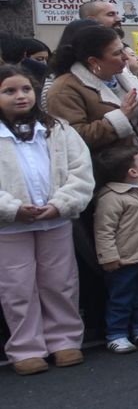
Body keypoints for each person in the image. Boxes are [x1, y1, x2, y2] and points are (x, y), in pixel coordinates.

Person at [0, 64, 93, 374]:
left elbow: (80, 171)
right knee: (17, 287)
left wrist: (61, 204)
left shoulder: (57, 129)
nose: (20, 96)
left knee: (61, 282)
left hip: (55, 221)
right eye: (9, 91)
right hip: (10, 228)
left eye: (25, 89)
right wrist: (12, 208)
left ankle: (64, 340)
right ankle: (26, 347)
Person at [93, 144, 138, 355]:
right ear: (133, 172)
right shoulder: (111, 197)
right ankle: (116, 334)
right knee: (121, 297)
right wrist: (108, 256)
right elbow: (103, 230)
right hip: (123, 259)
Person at [45, 23, 138, 152]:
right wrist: (120, 117)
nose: (126, 57)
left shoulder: (126, 78)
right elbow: (73, 137)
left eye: (123, 49)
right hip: (102, 167)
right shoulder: (64, 90)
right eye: (117, 53)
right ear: (93, 61)